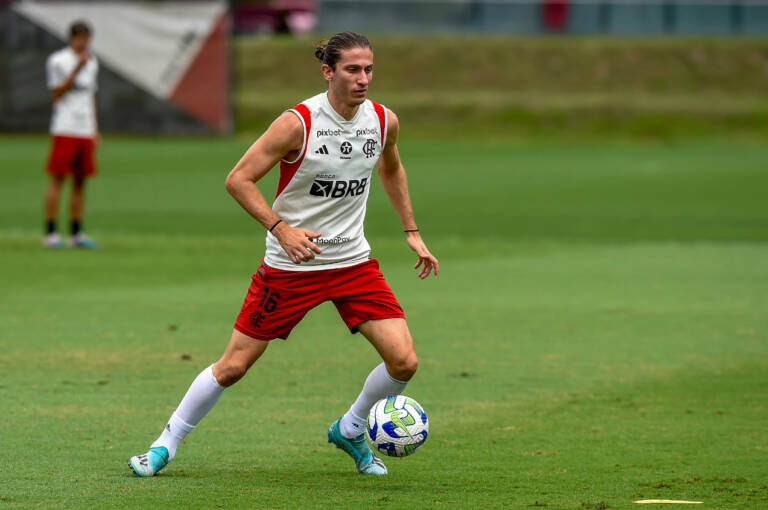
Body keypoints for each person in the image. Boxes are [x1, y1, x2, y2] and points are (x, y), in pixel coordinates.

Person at [129, 31, 439, 477]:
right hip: (292, 267)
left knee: (404, 361)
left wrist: (411, 231)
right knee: (233, 367)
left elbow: (391, 166)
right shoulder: (298, 123)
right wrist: (281, 229)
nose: (363, 79)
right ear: (328, 71)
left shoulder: (382, 120)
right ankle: (165, 444)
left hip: (353, 263)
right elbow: (238, 179)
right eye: (352, 69)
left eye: (369, 69)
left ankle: (350, 429)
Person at [44, 20, 99, 249]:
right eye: (80, 38)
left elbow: (90, 96)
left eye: (87, 38)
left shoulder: (92, 62)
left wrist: (95, 129)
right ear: (71, 38)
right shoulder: (58, 60)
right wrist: (76, 69)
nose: (84, 43)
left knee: (80, 182)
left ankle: (76, 233)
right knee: (58, 179)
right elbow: (57, 92)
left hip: (85, 129)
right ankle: (51, 233)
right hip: (65, 127)